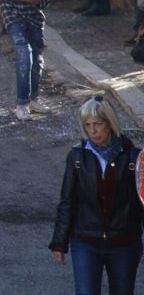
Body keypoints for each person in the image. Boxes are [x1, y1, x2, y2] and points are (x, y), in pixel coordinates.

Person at [50, 96, 143, 295]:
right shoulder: (76, 157)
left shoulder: (133, 158)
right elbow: (67, 201)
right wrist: (59, 242)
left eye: (97, 124)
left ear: (109, 123)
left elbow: (141, 203)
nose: (92, 131)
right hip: (85, 242)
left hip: (124, 243)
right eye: (87, 125)